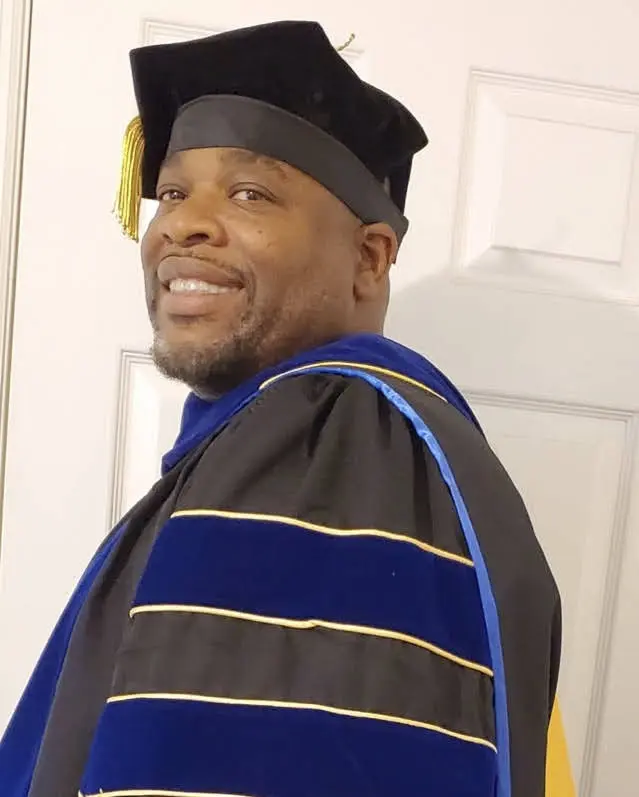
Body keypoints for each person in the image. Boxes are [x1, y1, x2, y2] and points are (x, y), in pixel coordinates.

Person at [0, 19, 572, 797]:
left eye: (248, 192)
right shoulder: (369, 439)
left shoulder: (329, 435)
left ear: (367, 259)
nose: (180, 223)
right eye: (171, 190)